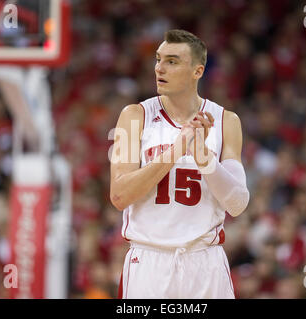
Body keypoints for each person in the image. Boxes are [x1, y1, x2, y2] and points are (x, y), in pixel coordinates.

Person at [110, 29, 250, 299]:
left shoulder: (225, 120)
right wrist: (177, 150)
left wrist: (202, 156)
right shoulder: (135, 115)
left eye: (172, 61)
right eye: (158, 59)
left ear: (197, 71)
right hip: (149, 262)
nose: (159, 68)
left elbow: (238, 203)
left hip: (205, 262)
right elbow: (119, 195)